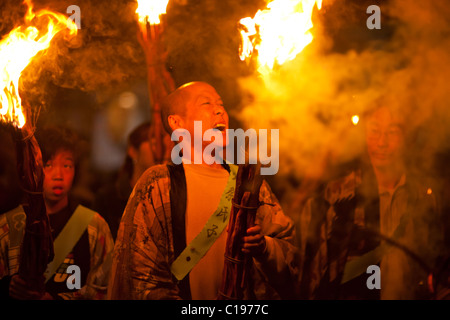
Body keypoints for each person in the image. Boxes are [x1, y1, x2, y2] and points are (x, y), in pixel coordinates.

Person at [107, 81, 299, 300]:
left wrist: (264, 248)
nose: (219, 110)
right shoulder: (158, 183)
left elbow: (291, 256)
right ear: (177, 123)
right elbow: (139, 273)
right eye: (206, 103)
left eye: (221, 104)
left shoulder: (249, 184)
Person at [297, 98, 444, 299]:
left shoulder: (424, 199)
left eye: (392, 132)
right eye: (374, 130)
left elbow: (434, 264)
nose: (382, 142)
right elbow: (312, 275)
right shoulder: (339, 196)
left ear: (406, 136)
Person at [0, 125, 114, 300]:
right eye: (48, 165)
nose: (58, 175)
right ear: (32, 167)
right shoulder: (8, 226)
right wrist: (9, 285)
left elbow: (106, 288)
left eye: (67, 165)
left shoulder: (94, 226)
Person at [94, 121, 155, 240]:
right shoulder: (109, 198)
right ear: (133, 151)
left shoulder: (165, 195)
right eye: (152, 142)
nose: (158, 149)